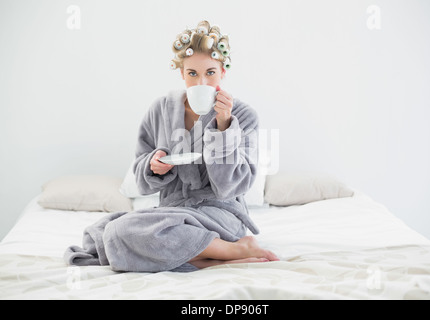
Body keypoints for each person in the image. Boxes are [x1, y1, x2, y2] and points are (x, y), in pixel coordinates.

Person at [64, 20, 278, 272]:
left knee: (123, 233)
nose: (201, 83)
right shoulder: (159, 110)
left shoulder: (242, 115)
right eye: (192, 74)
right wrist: (153, 166)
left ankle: (233, 248)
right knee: (104, 231)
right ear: (181, 74)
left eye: (210, 72)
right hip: (171, 213)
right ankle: (214, 257)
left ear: (223, 72)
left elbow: (232, 186)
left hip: (220, 215)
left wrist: (224, 125)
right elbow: (141, 170)